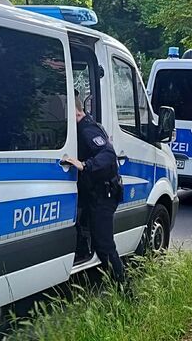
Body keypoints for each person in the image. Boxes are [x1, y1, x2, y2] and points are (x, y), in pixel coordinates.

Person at [64, 96, 125, 282]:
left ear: (76, 112)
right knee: (95, 240)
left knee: (104, 244)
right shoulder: (83, 126)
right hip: (95, 192)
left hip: (104, 195)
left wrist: (85, 165)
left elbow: (108, 154)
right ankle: (108, 281)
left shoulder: (87, 129)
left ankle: (124, 289)